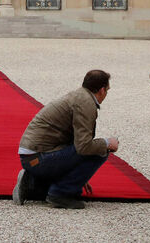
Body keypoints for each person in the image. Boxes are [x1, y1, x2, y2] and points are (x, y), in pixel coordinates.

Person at [13, 70, 119, 209]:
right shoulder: (86, 103)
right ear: (102, 90)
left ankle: (33, 183)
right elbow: (83, 146)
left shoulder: (79, 95)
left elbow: (73, 142)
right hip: (38, 158)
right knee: (100, 151)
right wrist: (107, 143)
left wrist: (78, 174)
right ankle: (60, 194)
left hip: (32, 158)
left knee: (90, 151)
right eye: (107, 90)